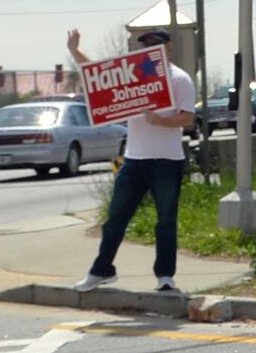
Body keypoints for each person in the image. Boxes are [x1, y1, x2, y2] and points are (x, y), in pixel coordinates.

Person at [68, 27, 196, 294]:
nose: (150, 50)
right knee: (115, 217)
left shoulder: (180, 79)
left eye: (156, 45)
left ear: (168, 48)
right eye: (145, 46)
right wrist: (75, 51)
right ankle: (101, 270)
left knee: (165, 220)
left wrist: (161, 121)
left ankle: (165, 277)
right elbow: (99, 77)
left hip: (167, 160)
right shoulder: (132, 76)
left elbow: (187, 118)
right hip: (135, 159)